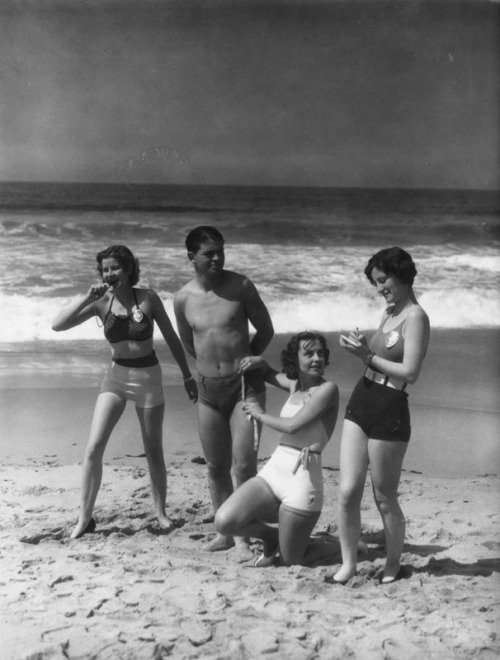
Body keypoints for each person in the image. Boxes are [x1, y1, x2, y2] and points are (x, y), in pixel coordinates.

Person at [52, 245, 198, 539]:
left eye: (115, 268)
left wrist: (186, 375)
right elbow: (57, 325)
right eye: (105, 269)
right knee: (93, 447)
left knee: (153, 449)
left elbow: (171, 338)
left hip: (148, 378)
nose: (109, 274)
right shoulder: (100, 302)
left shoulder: (148, 298)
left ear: (129, 268)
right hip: (116, 378)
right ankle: (84, 518)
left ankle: (161, 513)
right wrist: (86, 297)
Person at [174, 226, 274, 556]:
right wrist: (208, 369)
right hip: (208, 391)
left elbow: (266, 329)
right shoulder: (183, 298)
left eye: (221, 251)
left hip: (245, 387)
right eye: (209, 253)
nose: (217, 257)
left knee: (243, 466)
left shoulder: (241, 286)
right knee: (216, 466)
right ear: (192, 257)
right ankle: (226, 534)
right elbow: (190, 343)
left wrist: (251, 358)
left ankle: (245, 534)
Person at [334, 247, 430, 584]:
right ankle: (348, 564)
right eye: (375, 283)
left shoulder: (416, 317)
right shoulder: (388, 313)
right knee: (347, 490)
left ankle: (392, 564)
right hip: (363, 397)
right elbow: (376, 359)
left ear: (402, 274)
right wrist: (361, 350)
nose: (379, 288)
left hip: (390, 406)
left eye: (383, 280)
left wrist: (367, 355)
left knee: (384, 497)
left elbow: (410, 372)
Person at [214, 332, 339, 566]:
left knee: (292, 560)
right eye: (309, 353)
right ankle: (270, 536)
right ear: (296, 359)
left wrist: (259, 414)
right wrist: (261, 363)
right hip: (275, 470)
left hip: (303, 478)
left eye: (321, 353)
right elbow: (270, 375)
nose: (316, 358)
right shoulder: (295, 386)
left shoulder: (328, 390)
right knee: (224, 521)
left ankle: (347, 548)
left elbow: (292, 426)